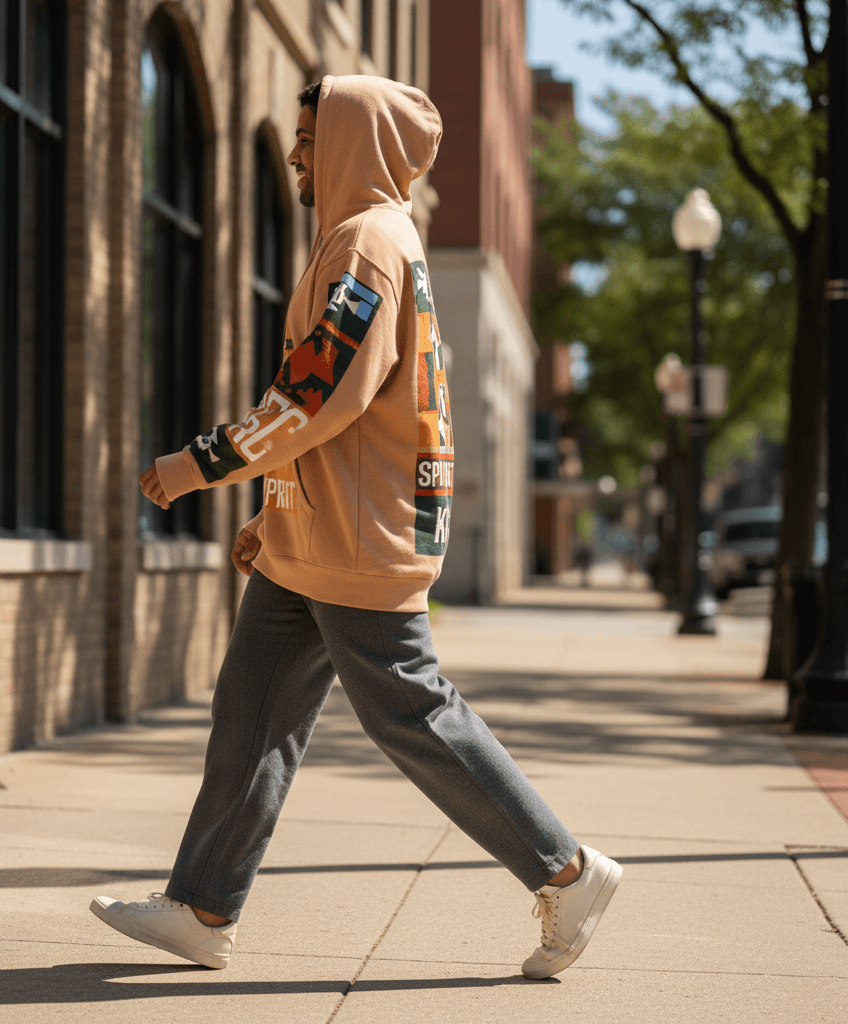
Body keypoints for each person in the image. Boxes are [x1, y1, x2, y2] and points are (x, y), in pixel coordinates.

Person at [90, 75, 621, 981]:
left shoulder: (366, 248)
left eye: (309, 137)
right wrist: (277, 510)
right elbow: (346, 419)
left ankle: (566, 872)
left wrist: (202, 464)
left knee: (409, 709)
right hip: (323, 535)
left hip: (362, 542)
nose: (298, 154)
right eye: (298, 138)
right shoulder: (359, 241)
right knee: (252, 713)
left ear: (349, 144)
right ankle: (202, 908)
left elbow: (316, 395)